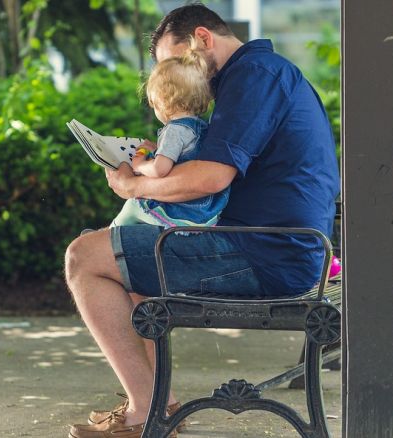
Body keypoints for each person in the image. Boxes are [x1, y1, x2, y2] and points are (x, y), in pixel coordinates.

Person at [64, 3, 340, 438]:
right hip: (276, 245)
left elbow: (210, 178)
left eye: (177, 61)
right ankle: (159, 405)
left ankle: (143, 413)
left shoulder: (254, 77)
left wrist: (133, 187)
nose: (177, 76)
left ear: (203, 39)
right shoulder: (257, 74)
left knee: (84, 256)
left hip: (267, 252)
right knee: (123, 251)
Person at [112, 41, 229, 228]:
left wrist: (141, 165)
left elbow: (160, 170)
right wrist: (158, 149)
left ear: (162, 101)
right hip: (208, 210)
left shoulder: (174, 130)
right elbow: (181, 156)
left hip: (186, 211)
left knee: (133, 205)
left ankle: (108, 236)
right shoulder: (201, 127)